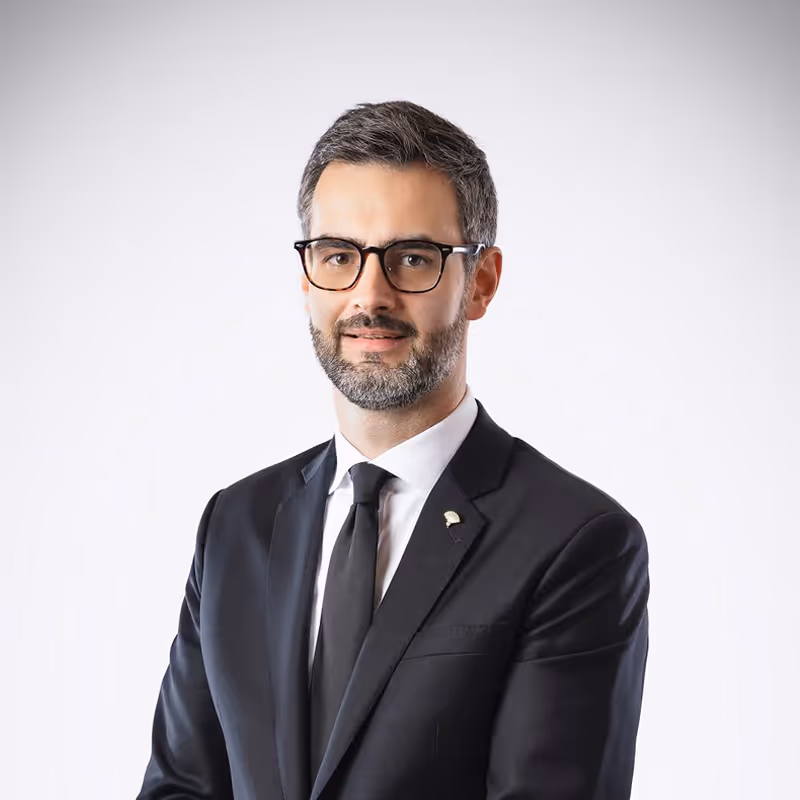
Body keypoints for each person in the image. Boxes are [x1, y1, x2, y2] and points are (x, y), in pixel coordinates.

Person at [137, 100, 649, 800]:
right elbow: (180, 787)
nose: (368, 296)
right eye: (339, 256)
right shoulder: (236, 524)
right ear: (307, 274)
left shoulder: (576, 542)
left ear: (483, 281)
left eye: (413, 258)